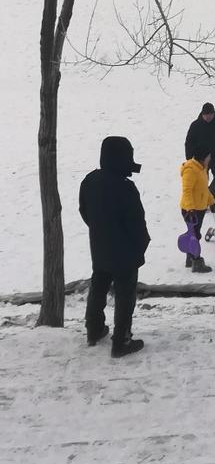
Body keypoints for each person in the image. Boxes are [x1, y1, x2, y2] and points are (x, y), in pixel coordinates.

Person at [78, 135, 150, 358]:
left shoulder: (90, 181)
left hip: (100, 246)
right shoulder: (125, 188)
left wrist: (99, 229)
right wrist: (141, 245)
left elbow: (84, 211)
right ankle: (121, 341)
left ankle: (94, 329)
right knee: (125, 295)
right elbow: (136, 222)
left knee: (99, 285)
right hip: (125, 251)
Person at [184, 102, 215, 196]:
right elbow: (189, 142)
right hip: (201, 159)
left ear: (214, 113)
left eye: (210, 114)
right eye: (206, 115)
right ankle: (205, 199)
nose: (208, 117)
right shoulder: (195, 125)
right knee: (203, 181)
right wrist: (189, 158)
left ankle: (211, 191)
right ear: (202, 114)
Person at [180, 154, 215, 273]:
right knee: (194, 235)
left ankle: (190, 258)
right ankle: (196, 262)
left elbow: (204, 189)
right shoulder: (190, 170)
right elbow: (187, 191)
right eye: (208, 157)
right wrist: (190, 209)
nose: (209, 159)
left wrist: (211, 202)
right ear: (202, 157)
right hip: (191, 210)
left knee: (194, 234)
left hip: (199, 208)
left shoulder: (202, 168)